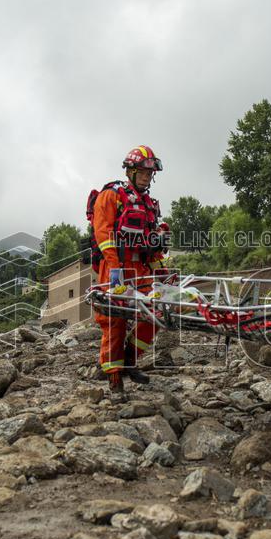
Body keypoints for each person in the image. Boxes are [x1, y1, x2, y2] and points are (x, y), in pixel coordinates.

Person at [90, 145, 171, 400]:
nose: (147, 177)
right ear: (131, 171)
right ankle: (115, 380)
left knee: (156, 313)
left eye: (150, 173)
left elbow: (153, 245)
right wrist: (115, 270)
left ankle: (129, 359)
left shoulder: (149, 204)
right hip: (116, 266)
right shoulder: (112, 195)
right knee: (115, 320)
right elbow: (103, 235)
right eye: (143, 172)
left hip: (142, 268)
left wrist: (163, 273)